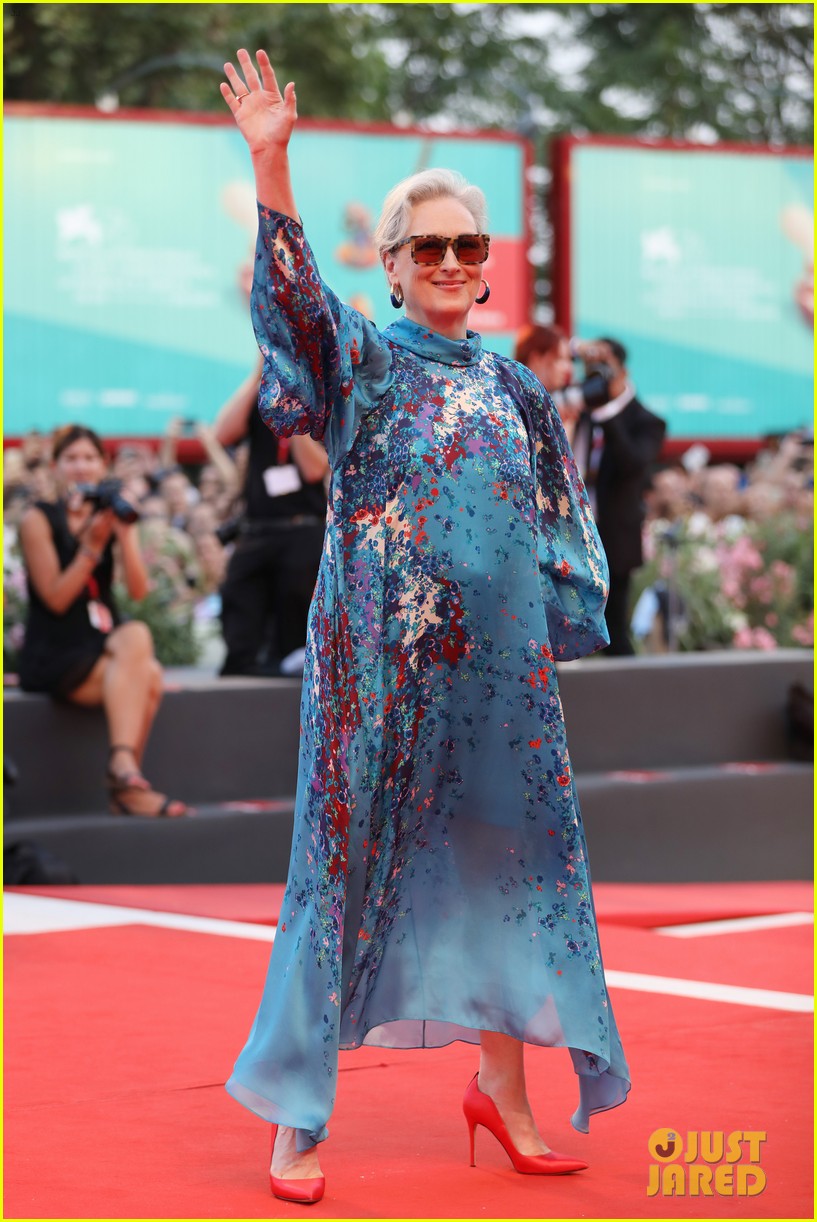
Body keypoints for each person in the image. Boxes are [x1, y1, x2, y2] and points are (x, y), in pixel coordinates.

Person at [220, 49, 629, 1204]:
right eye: (427, 247)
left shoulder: (516, 393)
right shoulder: (361, 364)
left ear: (484, 268)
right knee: (334, 871)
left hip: (501, 685)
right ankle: (299, 1114)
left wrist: (553, 633)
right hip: (371, 672)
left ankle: (500, 1091)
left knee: (511, 869)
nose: (451, 263)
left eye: (468, 246)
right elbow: (294, 305)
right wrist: (272, 161)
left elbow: (561, 531)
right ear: (392, 269)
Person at [17, 424, 186, 818]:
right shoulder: (39, 520)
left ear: (102, 464)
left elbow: (139, 593)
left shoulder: (106, 512)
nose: (81, 467)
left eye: (89, 458)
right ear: (56, 467)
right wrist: (91, 548)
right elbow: (57, 599)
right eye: (71, 458)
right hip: (56, 655)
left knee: (139, 640)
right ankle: (126, 786)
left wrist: (124, 536)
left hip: (100, 644)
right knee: (149, 674)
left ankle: (123, 770)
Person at [214, 350, 330, 677]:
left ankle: (291, 664)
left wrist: (291, 413)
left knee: (295, 600)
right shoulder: (260, 397)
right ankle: (241, 665)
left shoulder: (317, 405)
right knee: (238, 591)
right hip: (257, 528)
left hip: (302, 528)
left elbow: (313, 469)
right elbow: (223, 433)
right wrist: (257, 374)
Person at [565, 338, 666, 656]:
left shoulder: (646, 421)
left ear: (623, 372)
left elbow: (631, 463)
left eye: (605, 371)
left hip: (614, 538)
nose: (597, 378)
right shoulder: (578, 410)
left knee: (614, 632)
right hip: (571, 533)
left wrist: (606, 410)